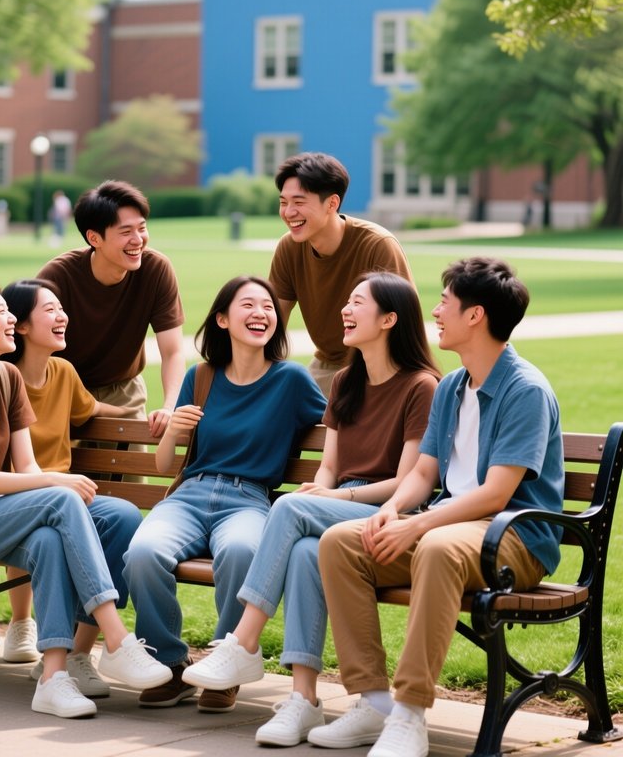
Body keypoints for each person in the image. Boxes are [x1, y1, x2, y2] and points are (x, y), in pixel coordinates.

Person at [312, 258, 564, 757]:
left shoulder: (525, 389)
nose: (435, 311)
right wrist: (393, 509)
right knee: (342, 541)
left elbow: (495, 494)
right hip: (453, 526)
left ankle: (410, 713)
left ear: (476, 315)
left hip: (513, 536)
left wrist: (418, 525)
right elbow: (424, 473)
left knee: (437, 548)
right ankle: (373, 704)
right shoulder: (452, 385)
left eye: (446, 301)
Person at [182, 272, 440, 746]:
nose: (344, 309)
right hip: (339, 507)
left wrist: (331, 498)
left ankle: (243, 642)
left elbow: (408, 486)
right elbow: (328, 469)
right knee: (302, 550)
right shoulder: (345, 381)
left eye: (357, 302)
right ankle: (303, 700)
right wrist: (318, 490)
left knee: (288, 512)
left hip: (388, 511)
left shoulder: (421, 387)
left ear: (388, 319)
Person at [0, 281, 172, 719]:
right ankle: (118, 640)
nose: (11, 319)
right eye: (2, 312)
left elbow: (26, 467)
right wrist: (58, 483)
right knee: (60, 502)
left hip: (0, 513)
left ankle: (53, 676)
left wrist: (50, 482)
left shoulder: (7, 379)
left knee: (117, 516)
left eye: (12, 311)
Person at [122, 276, 327, 712]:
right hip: (189, 496)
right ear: (222, 319)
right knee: (142, 553)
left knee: (242, 553)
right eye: (248, 305)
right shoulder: (201, 377)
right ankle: (170, 664)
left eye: (268, 307)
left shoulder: (290, 379)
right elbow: (163, 467)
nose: (261, 313)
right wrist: (172, 432)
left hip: (249, 498)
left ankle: (226, 663)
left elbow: (339, 426)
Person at [0, 278, 144, 699]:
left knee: (122, 516)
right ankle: (23, 624)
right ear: (20, 326)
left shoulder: (62, 372)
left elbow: (94, 409)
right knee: (50, 531)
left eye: (62, 307)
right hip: (13, 495)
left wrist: (144, 418)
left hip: (64, 495)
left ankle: (77, 654)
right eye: (50, 310)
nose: (63, 316)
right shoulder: (1, 379)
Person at [38, 180, 184, 438]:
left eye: (142, 228)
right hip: (63, 392)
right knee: (60, 475)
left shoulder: (156, 269)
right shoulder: (57, 276)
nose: (138, 240)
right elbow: (30, 347)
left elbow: (172, 352)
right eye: (126, 231)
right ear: (94, 238)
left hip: (123, 392)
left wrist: (170, 407)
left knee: (127, 474)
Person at [269, 152, 413, 396]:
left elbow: (403, 330)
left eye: (299, 202)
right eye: (284, 202)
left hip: (380, 367)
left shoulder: (377, 245)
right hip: (326, 364)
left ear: (332, 203)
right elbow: (272, 320)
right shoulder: (289, 247)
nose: (289, 212)